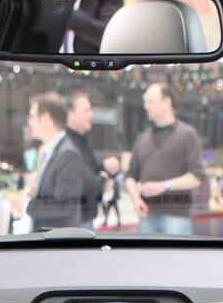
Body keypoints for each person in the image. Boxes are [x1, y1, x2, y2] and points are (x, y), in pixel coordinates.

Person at [124, 83, 205, 235]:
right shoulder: (142, 138)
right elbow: (130, 176)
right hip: (147, 216)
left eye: (151, 101)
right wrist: (136, 199)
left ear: (166, 102)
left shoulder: (187, 134)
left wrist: (164, 186)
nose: (146, 106)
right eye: (145, 101)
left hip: (177, 217)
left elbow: (197, 177)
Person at [24, 93, 85, 230]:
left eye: (32, 117)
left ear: (46, 119)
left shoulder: (67, 154)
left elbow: (63, 205)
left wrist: (26, 205)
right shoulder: (50, 152)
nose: (29, 122)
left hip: (59, 239)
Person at [66, 92, 113, 230]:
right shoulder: (67, 144)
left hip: (84, 217)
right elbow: (83, 180)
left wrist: (104, 167)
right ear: (71, 114)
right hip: (75, 221)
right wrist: (103, 180)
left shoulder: (81, 140)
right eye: (86, 111)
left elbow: (90, 169)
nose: (91, 114)